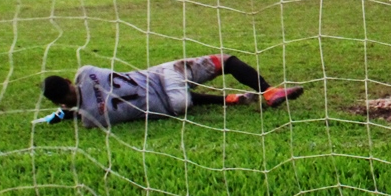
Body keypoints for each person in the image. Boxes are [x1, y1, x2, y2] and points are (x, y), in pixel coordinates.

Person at [38, 53, 303, 130]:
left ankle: (229, 99)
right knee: (227, 62)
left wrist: (63, 113)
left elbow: (76, 110)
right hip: (166, 75)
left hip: (172, 107)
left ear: (58, 102)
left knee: (172, 99)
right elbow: (82, 92)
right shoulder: (86, 72)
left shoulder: (89, 120)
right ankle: (268, 92)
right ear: (66, 79)